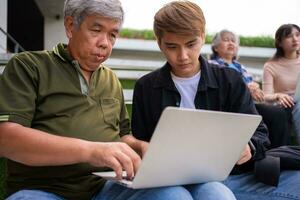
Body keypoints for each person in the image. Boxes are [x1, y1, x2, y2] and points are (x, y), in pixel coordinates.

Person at [0, 0, 237, 199]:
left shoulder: (111, 80)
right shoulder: (29, 66)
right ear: (71, 26)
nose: (105, 42)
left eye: (112, 34)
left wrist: (142, 147)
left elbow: (122, 135)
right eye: (96, 30)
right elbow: (7, 138)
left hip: (106, 187)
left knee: (175, 195)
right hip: (42, 191)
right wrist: (92, 151)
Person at [131, 1, 300, 199]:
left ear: (202, 37)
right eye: (172, 46)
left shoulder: (230, 80)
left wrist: (249, 147)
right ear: (159, 43)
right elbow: (140, 144)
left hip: (228, 177)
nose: (183, 56)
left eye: (191, 44)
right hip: (167, 182)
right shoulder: (146, 87)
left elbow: (260, 134)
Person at [209, 29, 291, 147]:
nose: (231, 43)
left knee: (277, 112)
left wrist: (256, 91)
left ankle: (282, 152)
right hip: (230, 108)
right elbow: (220, 90)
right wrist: (246, 88)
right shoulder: (212, 65)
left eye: (233, 41)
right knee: (273, 113)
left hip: (248, 104)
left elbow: (256, 94)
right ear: (215, 47)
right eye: (226, 40)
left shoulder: (240, 67)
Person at [263, 24, 300, 144]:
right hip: (287, 105)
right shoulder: (271, 65)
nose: (295, 39)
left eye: (298, 35)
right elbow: (266, 95)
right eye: (289, 36)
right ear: (279, 42)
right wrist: (278, 95)